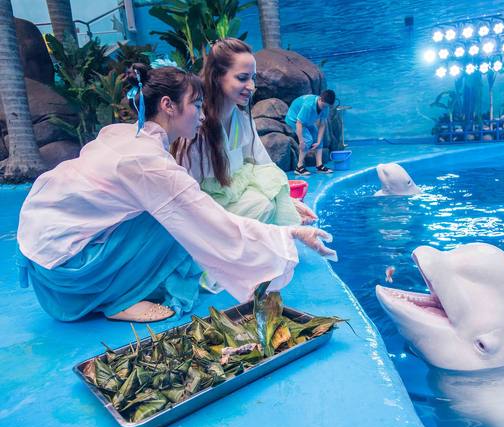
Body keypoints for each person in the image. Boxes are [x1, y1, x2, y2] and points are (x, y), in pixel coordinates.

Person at [16, 63, 336, 323]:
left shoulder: (128, 135)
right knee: (177, 220)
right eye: (196, 105)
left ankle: (122, 285)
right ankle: (119, 300)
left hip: (48, 260)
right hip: (69, 272)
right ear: (168, 105)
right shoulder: (147, 161)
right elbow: (209, 218)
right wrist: (288, 233)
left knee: (176, 211)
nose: (202, 114)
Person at [173, 39, 316, 226]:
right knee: (262, 206)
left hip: (236, 197)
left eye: (253, 78)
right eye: (242, 78)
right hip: (205, 213)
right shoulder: (195, 126)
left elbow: (263, 164)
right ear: (217, 77)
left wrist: (289, 204)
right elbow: (187, 196)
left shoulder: (241, 119)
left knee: (270, 201)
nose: (251, 86)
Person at [285, 89, 336, 176]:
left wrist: (318, 141)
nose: (324, 108)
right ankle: (299, 167)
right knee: (307, 140)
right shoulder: (308, 105)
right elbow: (299, 123)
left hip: (307, 121)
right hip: (293, 120)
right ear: (320, 99)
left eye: (326, 106)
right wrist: (301, 141)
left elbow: (322, 124)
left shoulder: (325, 107)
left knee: (318, 140)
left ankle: (319, 166)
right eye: (323, 105)